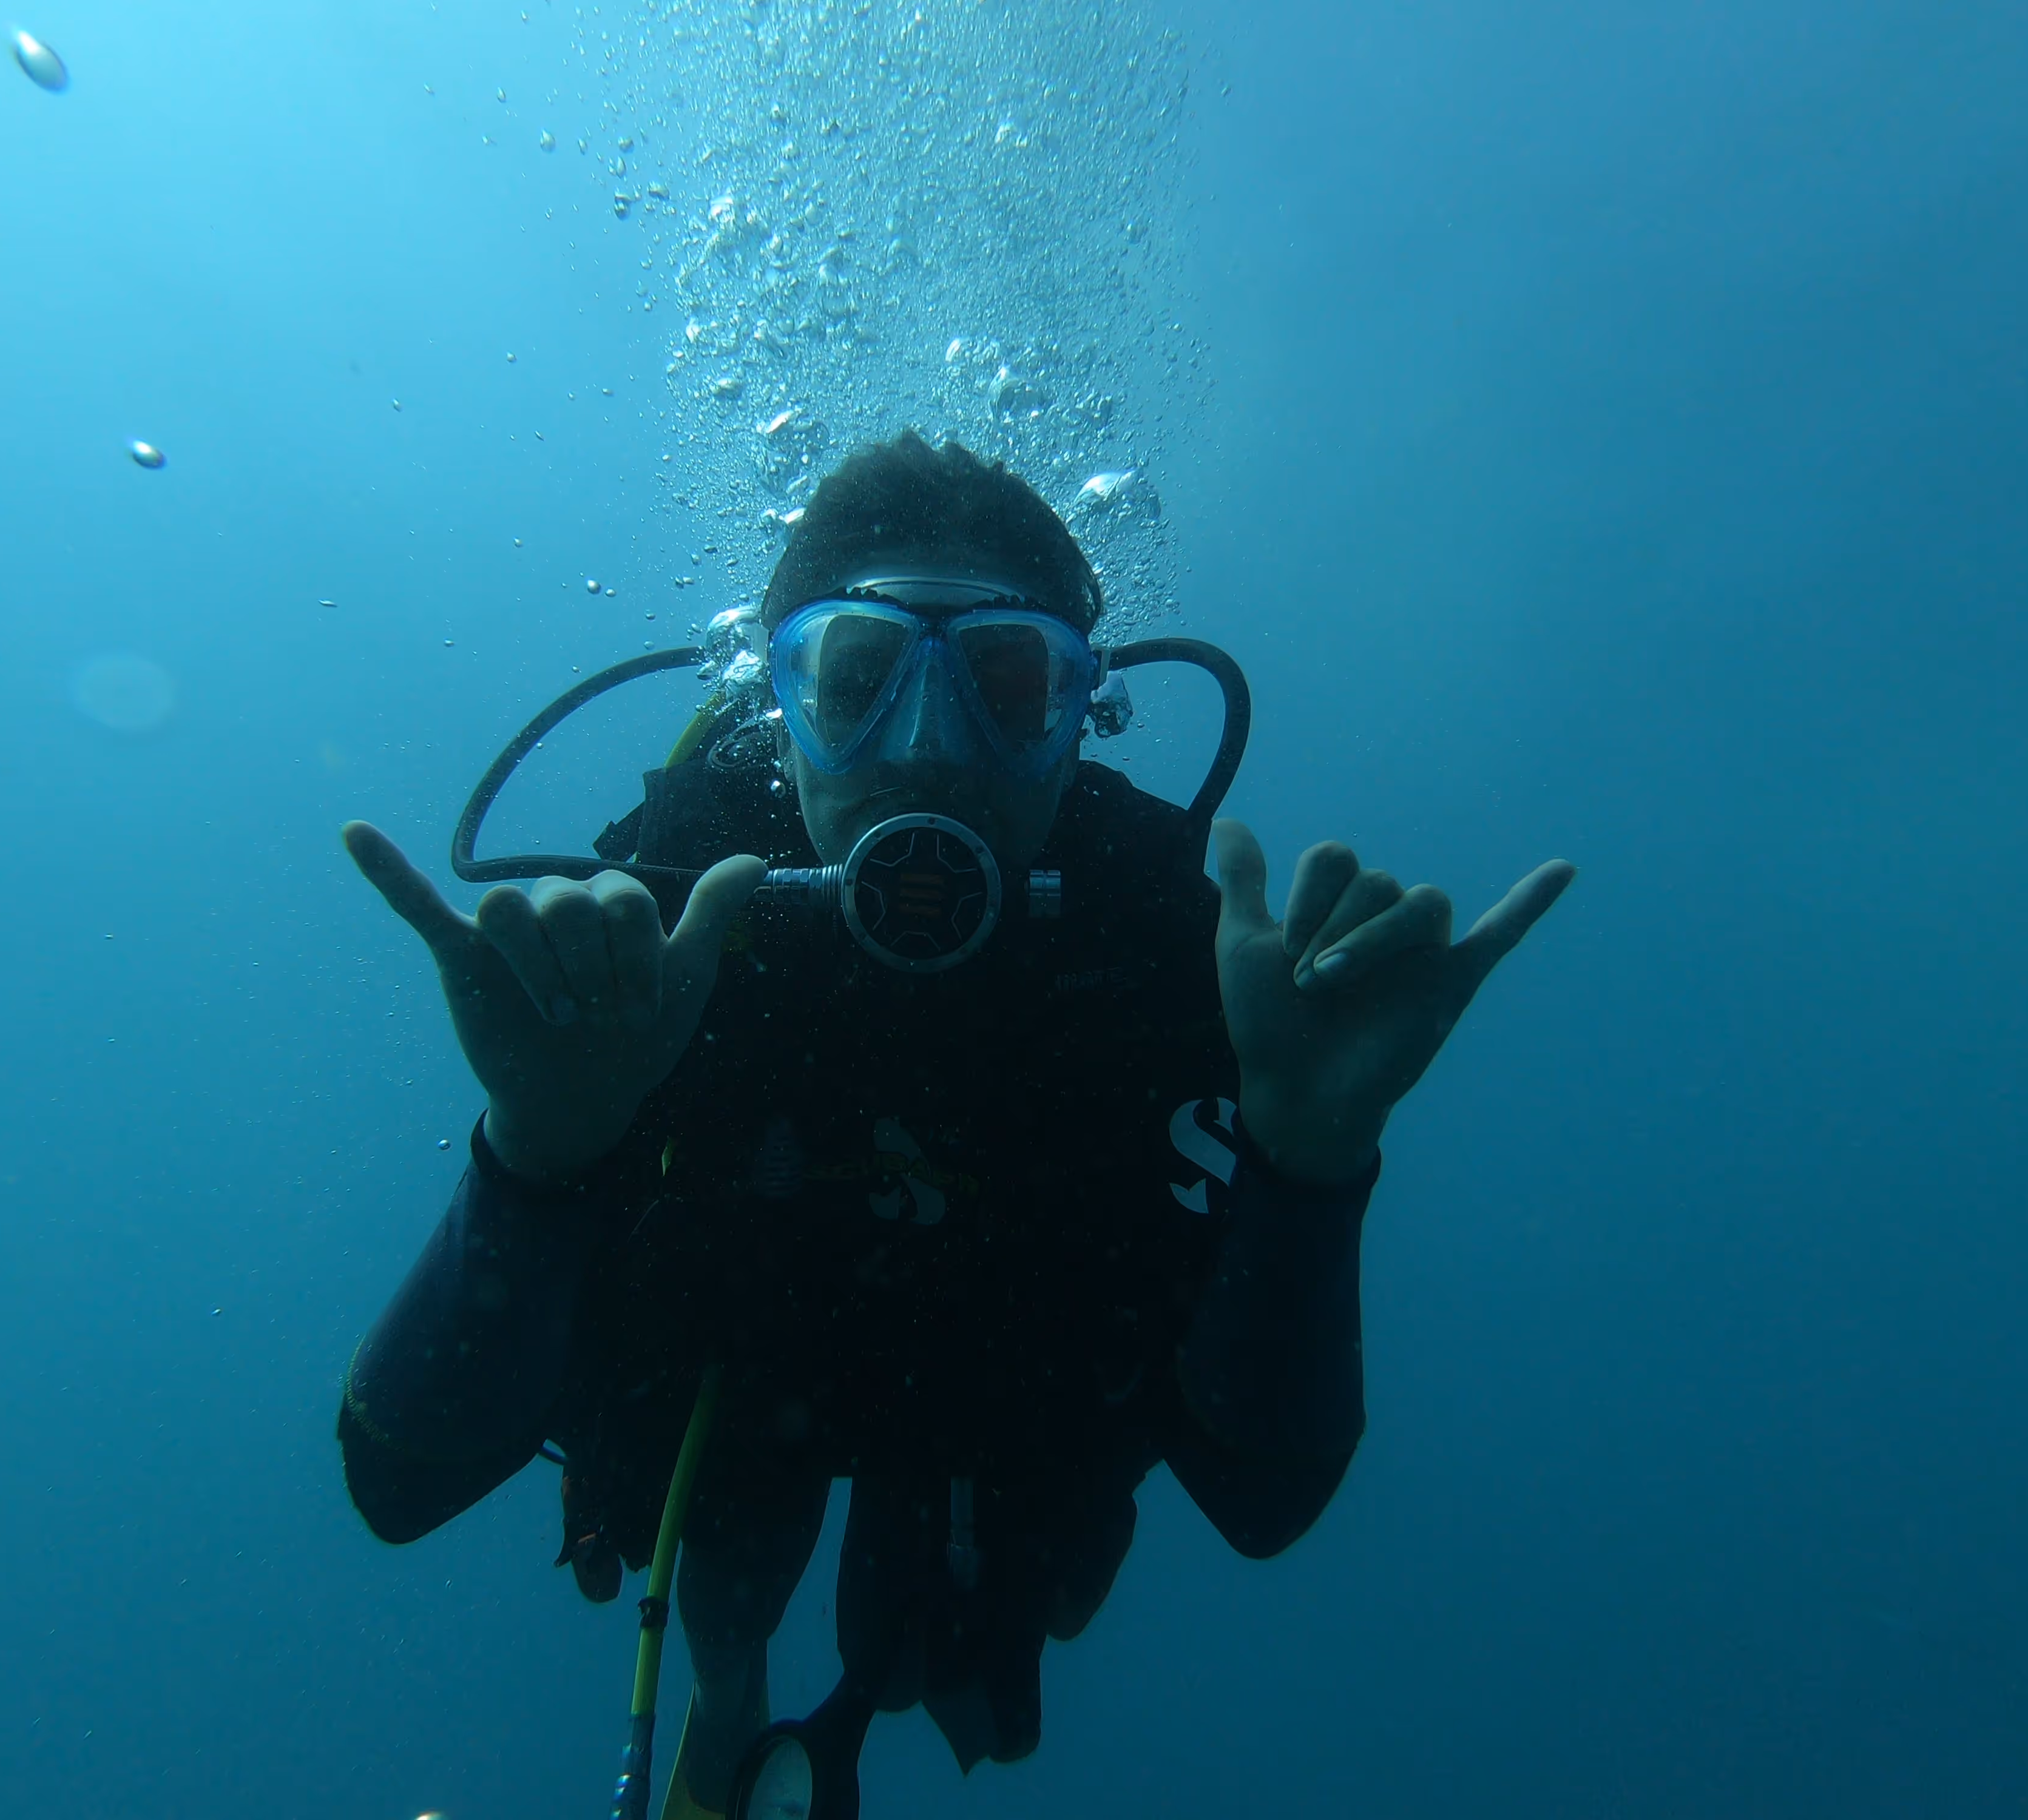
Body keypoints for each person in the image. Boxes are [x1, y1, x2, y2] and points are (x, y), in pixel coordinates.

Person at [336, 431, 1573, 1816]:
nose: (926, 749)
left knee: (946, 1643)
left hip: (998, 1396)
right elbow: (398, 1481)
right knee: (727, 1546)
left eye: (1002, 684)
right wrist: (537, 1148)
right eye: (855, 683)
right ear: (780, 705)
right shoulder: (660, 929)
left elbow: (1262, 1504)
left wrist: (1309, 1159)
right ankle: (728, 1689)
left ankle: (857, 1681)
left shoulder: (1174, 943)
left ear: (1078, 710)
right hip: (729, 1380)